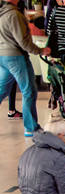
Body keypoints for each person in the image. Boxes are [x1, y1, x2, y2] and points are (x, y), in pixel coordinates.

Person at [0, 0, 52, 139]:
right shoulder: (14, 14)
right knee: (28, 91)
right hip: (16, 57)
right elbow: (23, 42)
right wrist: (41, 51)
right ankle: (31, 128)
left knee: (1, 90)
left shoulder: (3, 12)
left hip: (3, 56)